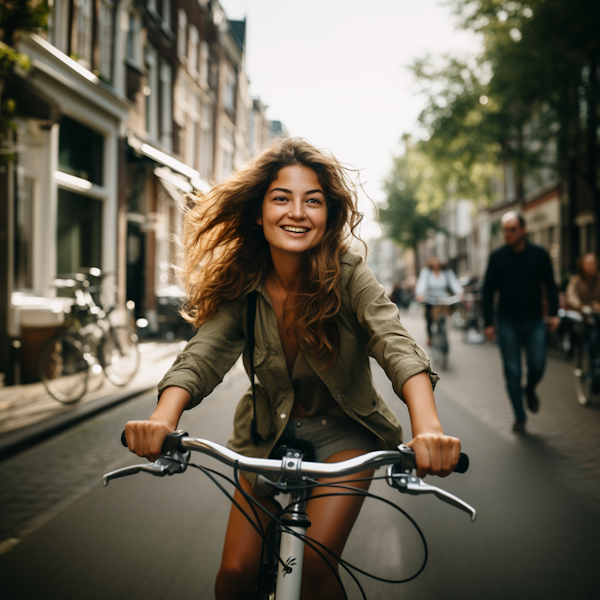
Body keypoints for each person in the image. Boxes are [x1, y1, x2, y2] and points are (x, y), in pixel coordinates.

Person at [123, 138, 462, 600]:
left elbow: (394, 342)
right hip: (265, 434)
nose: (297, 212)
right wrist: (163, 418)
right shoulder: (243, 280)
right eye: (281, 198)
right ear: (259, 212)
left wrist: (428, 428)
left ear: (329, 217)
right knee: (236, 574)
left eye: (313, 201)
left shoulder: (348, 273)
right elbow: (204, 352)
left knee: (317, 569)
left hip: (346, 434)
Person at [482, 211, 560, 432]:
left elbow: (551, 285)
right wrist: (488, 323)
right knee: (512, 370)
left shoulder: (539, 255)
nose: (507, 234)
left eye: (512, 229)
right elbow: (487, 291)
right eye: (505, 230)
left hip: (535, 320)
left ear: (523, 231)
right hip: (507, 322)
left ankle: (530, 388)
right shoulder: (497, 258)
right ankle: (519, 417)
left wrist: (554, 313)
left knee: (537, 364)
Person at [415, 256, 464, 346]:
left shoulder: (446, 272)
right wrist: (420, 293)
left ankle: (443, 333)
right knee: (429, 318)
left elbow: (454, 282)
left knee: (444, 316)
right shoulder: (427, 272)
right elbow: (422, 283)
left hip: (443, 298)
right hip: (430, 298)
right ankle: (430, 337)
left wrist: (460, 293)